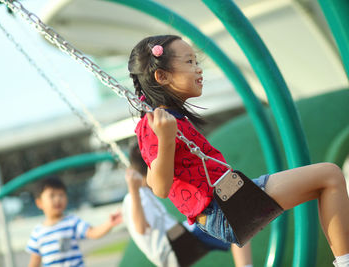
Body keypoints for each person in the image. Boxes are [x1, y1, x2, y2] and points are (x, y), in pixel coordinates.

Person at [128, 35, 349, 267]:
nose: (198, 69)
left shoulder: (171, 119)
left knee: (324, 182)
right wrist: (166, 140)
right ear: (162, 76)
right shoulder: (155, 124)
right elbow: (160, 187)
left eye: (196, 61)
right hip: (222, 209)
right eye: (189, 62)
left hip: (228, 202)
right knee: (329, 176)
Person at [122, 142, 253, 267]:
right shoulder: (138, 195)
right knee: (233, 218)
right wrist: (133, 191)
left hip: (176, 245)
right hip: (176, 245)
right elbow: (140, 228)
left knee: (221, 219)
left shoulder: (136, 199)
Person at [26, 177, 122, 267]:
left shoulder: (72, 222)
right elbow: (34, 262)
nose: (57, 199)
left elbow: (93, 232)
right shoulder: (37, 232)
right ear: (39, 203)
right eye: (52, 195)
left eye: (61, 195)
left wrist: (109, 224)